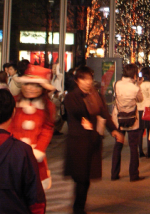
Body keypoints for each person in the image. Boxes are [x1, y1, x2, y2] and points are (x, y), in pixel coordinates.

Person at [63, 66, 124, 214]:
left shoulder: (96, 95)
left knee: (86, 178)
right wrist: (88, 118)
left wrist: (114, 130)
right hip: (78, 143)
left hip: (92, 141)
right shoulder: (72, 96)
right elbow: (76, 113)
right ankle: (78, 208)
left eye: (89, 79)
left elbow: (105, 114)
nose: (87, 82)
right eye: (84, 79)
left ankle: (79, 206)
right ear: (77, 81)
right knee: (81, 178)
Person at [8, 65, 56, 190]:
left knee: (34, 194)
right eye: (27, 84)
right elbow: (7, 126)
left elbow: (47, 129)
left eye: (36, 85)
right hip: (11, 155)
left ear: (43, 88)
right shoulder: (12, 102)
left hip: (35, 157)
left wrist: (38, 150)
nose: (30, 88)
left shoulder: (48, 106)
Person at [111, 64, 144, 182]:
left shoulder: (116, 84)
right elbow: (140, 99)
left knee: (117, 146)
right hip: (132, 120)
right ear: (134, 74)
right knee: (133, 147)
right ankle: (133, 175)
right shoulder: (135, 88)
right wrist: (138, 85)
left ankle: (114, 174)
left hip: (118, 119)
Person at [137, 66, 150, 158]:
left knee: (140, 131)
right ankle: (149, 151)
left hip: (139, 109)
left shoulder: (138, 84)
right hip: (147, 109)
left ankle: (140, 151)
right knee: (149, 131)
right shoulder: (149, 84)